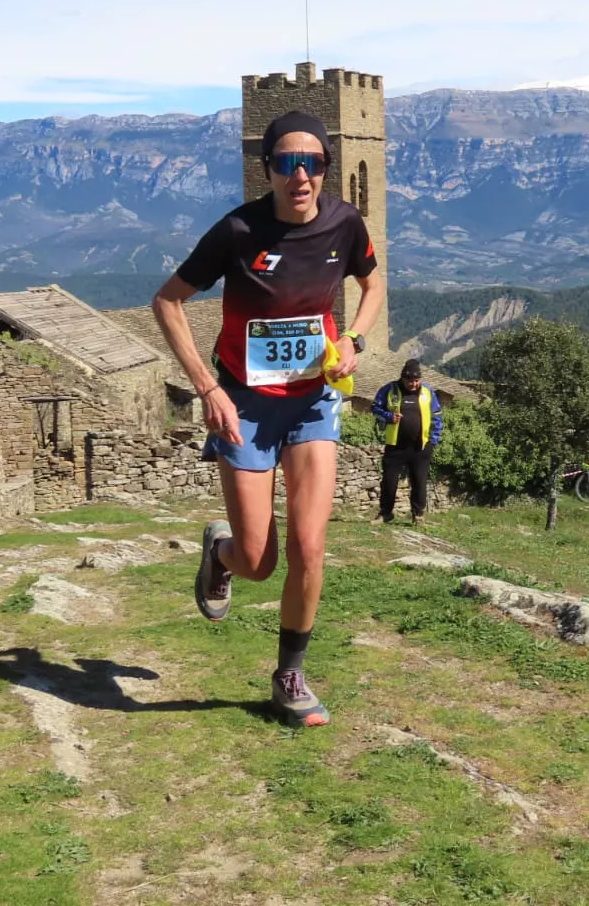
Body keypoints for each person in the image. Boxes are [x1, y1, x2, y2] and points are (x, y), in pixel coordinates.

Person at [151, 110, 385, 729]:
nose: (300, 174)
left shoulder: (344, 222)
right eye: (286, 162)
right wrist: (208, 388)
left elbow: (373, 283)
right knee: (261, 561)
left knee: (310, 546)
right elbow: (167, 300)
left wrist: (356, 341)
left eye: (312, 163)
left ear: (327, 170)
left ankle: (290, 675)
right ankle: (221, 554)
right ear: (269, 170)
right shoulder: (236, 231)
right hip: (245, 405)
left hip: (312, 400)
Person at [372, 359, 443, 524]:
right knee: (389, 481)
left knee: (419, 482)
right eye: (410, 381)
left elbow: (437, 416)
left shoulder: (428, 392)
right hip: (395, 445)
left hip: (421, 446)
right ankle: (385, 514)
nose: (413, 384)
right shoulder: (390, 390)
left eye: (416, 381)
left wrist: (433, 440)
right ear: (403, 378)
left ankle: (418, 515)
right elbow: (375, 408)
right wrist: (389, 416)